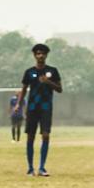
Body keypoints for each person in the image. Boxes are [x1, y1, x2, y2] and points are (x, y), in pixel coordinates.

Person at [19, 43, 63, 176]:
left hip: (46, 108)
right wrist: (18, 105)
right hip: (32, 108)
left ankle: (42, 167)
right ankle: (30, 168)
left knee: (45, 135)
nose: (40, 55)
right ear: (34, 55)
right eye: (38, 53)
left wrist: (48, 82)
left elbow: (60, 89)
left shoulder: (53, 71)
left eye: (43, 53)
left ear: (46, 55)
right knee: (30, 137)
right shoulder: (29, 72)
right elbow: (24, 90)